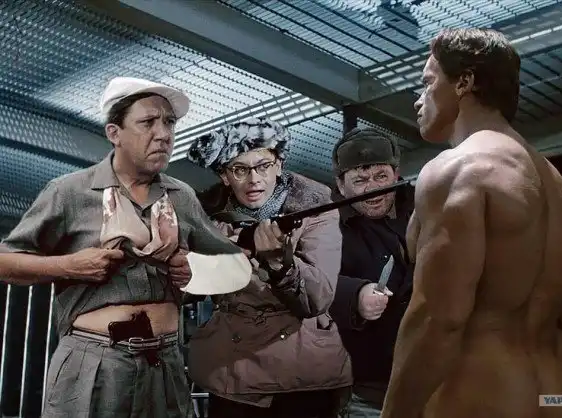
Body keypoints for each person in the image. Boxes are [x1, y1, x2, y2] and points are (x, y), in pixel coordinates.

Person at [0, 76, 251, 418]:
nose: (164, 134)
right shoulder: (69, 192)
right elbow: (5, 263)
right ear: (114, 133)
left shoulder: (181, 197)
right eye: (148, 122)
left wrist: (197, 268)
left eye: (169, 123)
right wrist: (69, 266)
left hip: (165, 365)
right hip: (94, 362)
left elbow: (236, 268)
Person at [380, 28, 562, 418]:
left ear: (464, 82)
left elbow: (438, 317)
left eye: (428, 82)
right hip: (550, 397)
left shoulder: (461, 168)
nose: (418, 98)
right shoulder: (561, 194)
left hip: (475, 399)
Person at [186, 117, 352, 418]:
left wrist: (280, 264)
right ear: (225, 176)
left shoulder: (316, 210)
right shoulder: (204, 219)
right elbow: (184, 288)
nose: (254, 179)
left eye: (263, 166)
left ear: (279, 165)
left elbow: (318, 299)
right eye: (240, 169)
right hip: (233, 372)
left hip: (306, 375)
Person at [328, 127, 415, 417]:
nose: (373, 189)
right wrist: (353, 296)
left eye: (381, 176)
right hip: (367, 392)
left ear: (396, 174)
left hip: (438, 382)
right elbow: (305, 281)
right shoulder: (323, 225)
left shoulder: (429, 208)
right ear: (341, 185)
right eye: (360, 180)